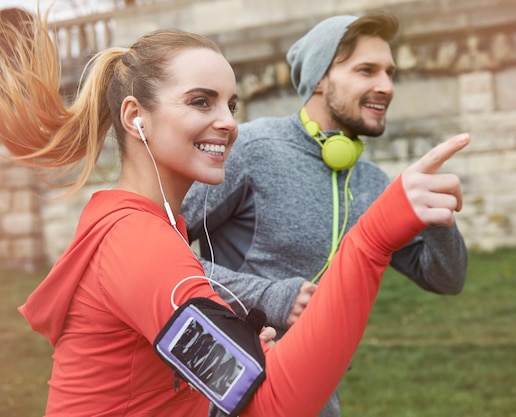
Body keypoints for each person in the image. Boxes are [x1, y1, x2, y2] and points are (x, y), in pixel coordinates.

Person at [0, 7, 469, 417]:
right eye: (200, 101)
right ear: (134, 117)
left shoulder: (147, 231)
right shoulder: (139, 245)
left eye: (231, 103)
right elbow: (274, 407)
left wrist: (243, 343)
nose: (228, 121)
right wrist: (371, 241)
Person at [181, 12, 468, 416]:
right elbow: (157, 249)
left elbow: (446, 279)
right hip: (229, 392)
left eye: (389, 72)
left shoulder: (373, 182)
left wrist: (438, 217)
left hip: (318, 398)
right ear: (319, 79)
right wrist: (273, 297)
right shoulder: (252, 149)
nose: (385, 86)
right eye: (366, 70)